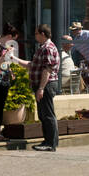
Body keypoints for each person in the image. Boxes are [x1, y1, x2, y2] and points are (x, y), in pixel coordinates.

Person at [29, 24, 60, 152]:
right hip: (43, 85)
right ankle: (48, 141)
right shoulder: (43, 47)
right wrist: (14, 59)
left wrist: (41, 88)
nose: (35, 36)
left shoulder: (47, 48)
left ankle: (50, 143)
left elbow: (47, 69)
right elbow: (33, 65)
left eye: (36, 33)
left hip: (46, 85)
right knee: (44, 114)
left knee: (47, 114)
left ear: (42, 34)